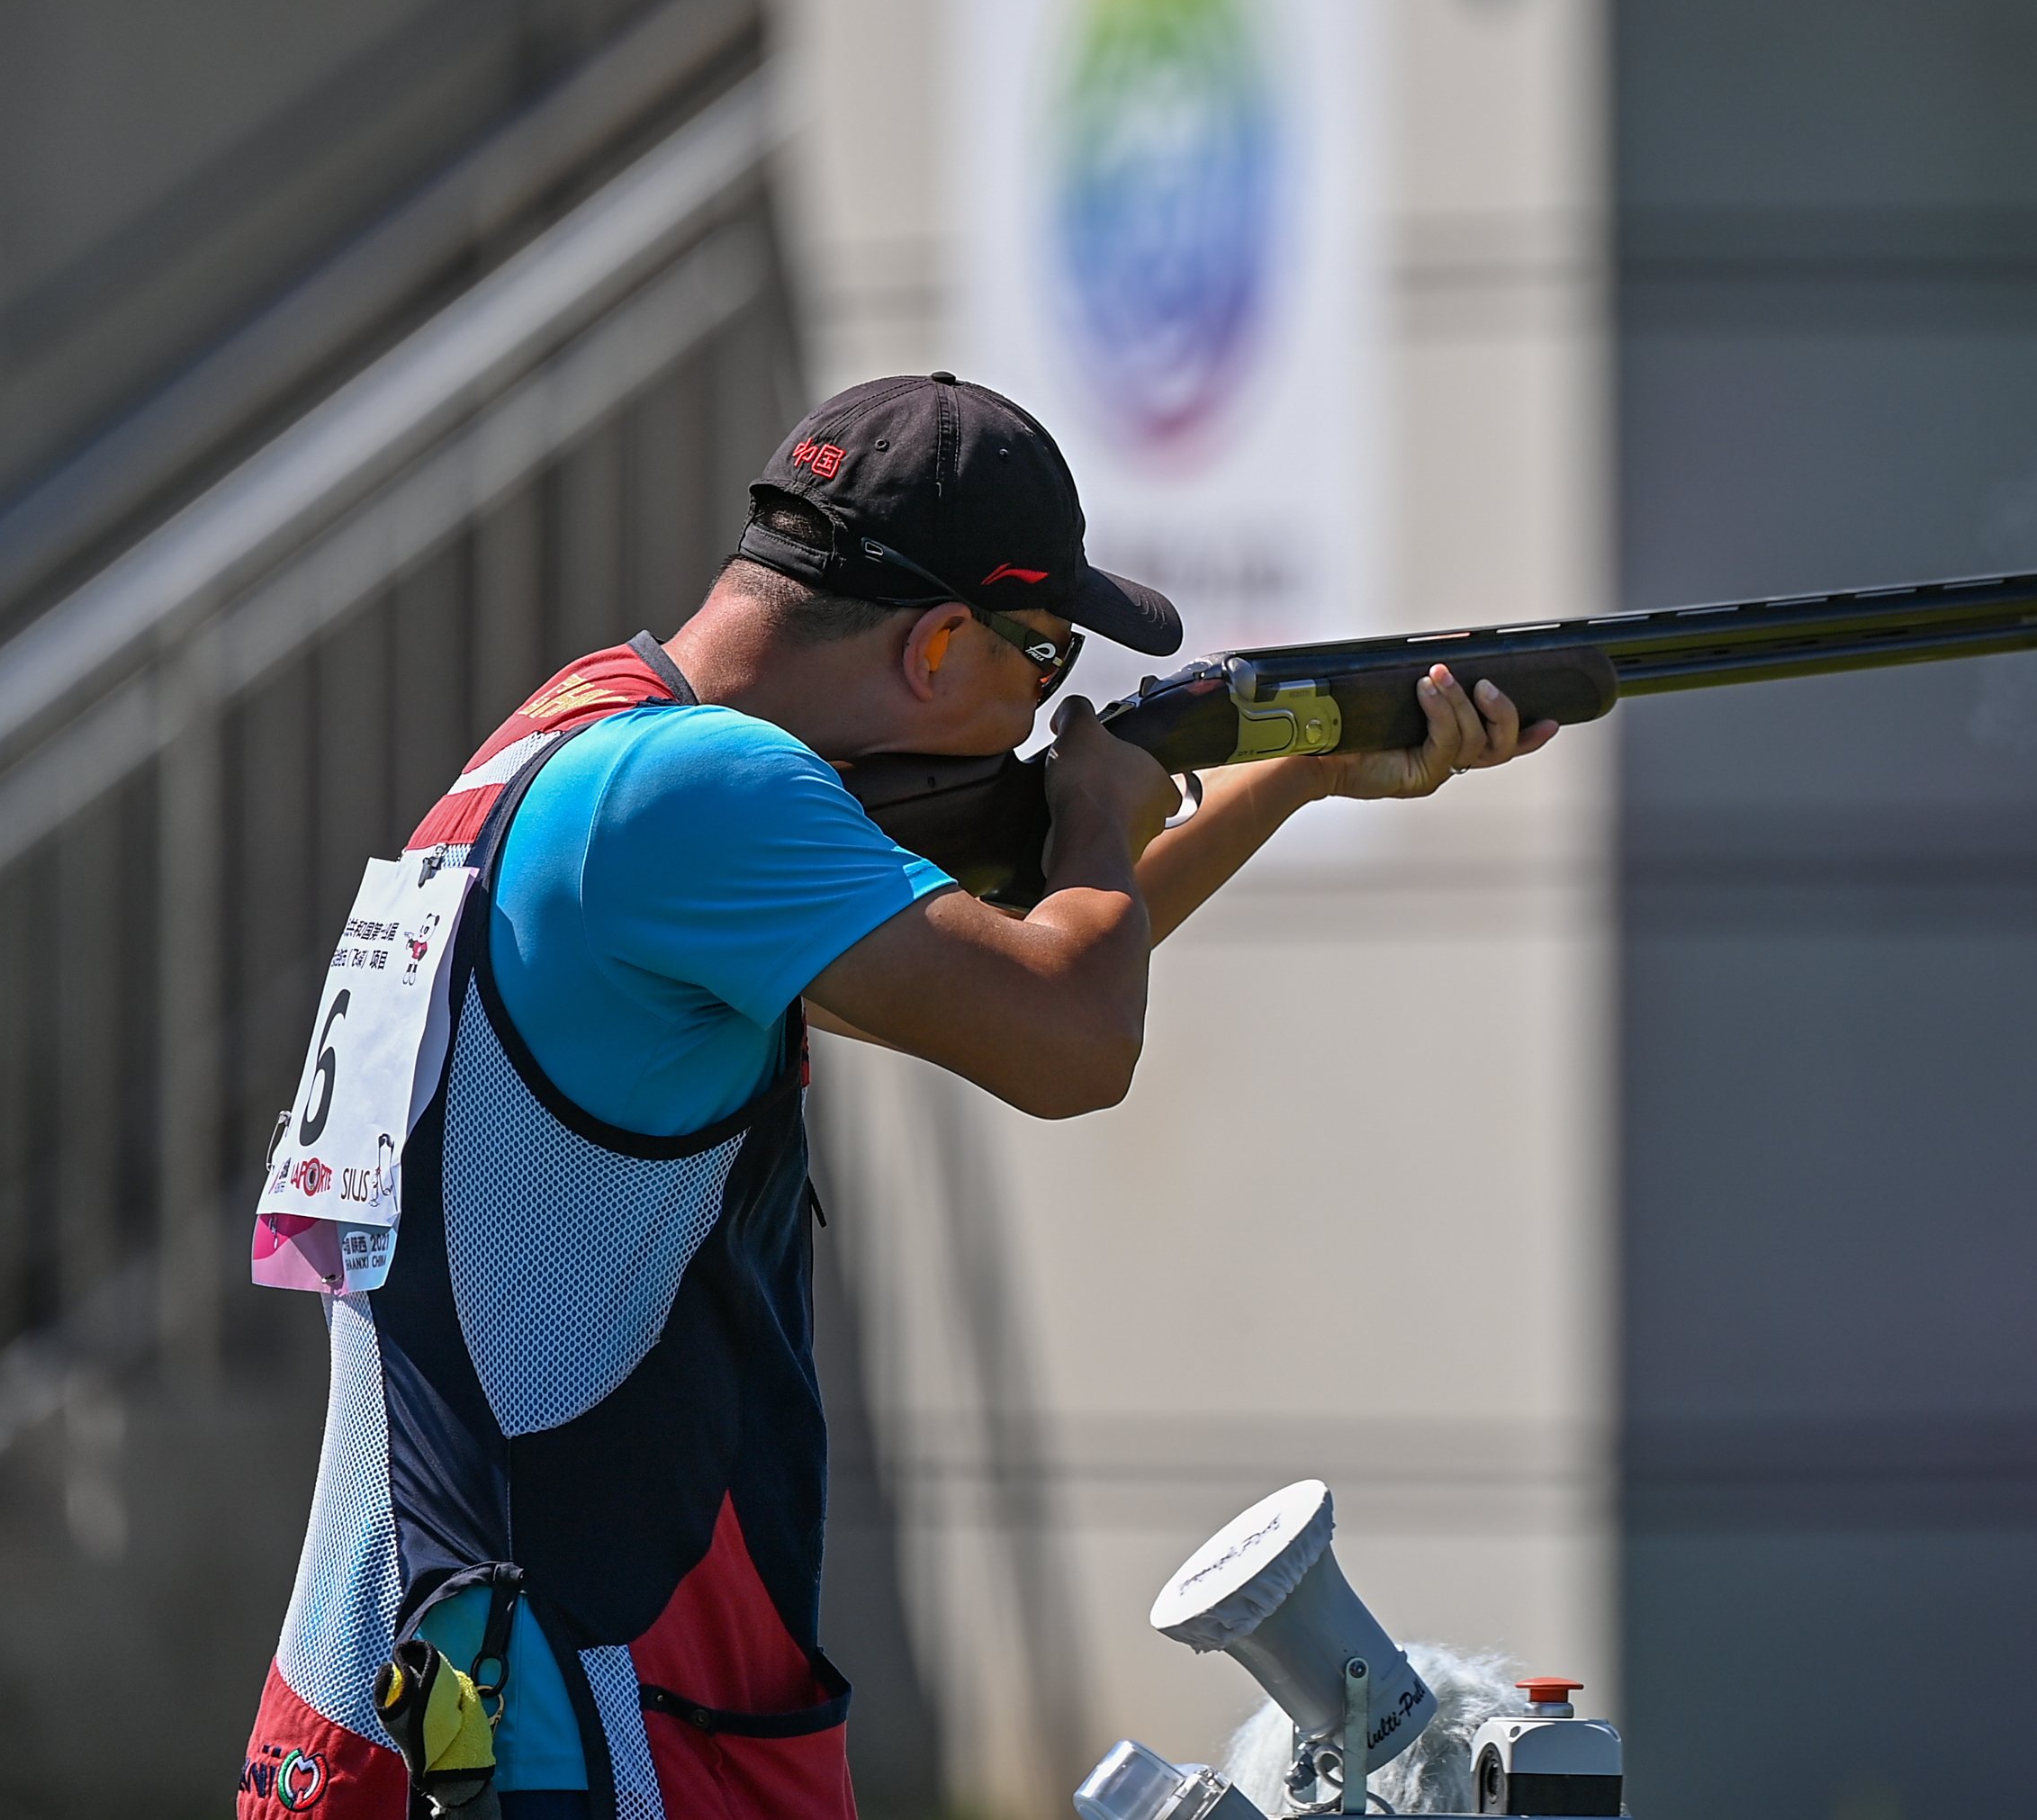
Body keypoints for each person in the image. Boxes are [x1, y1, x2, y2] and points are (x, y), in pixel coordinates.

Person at [235, 374, 1553, 1820]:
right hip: (576, 1720)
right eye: (1042, 662)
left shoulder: (569, 752)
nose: (1050, 715)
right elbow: (1069, 1042)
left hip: (406, 1698)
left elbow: (1004, 976)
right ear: (937, 644)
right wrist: (1096, 814)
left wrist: (1298, 772)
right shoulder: (701, 791)